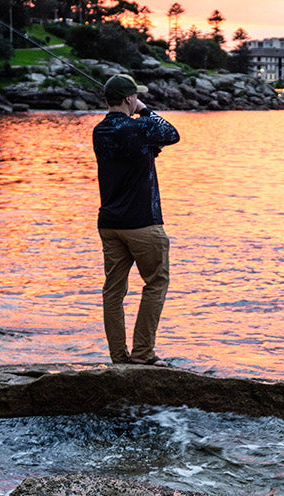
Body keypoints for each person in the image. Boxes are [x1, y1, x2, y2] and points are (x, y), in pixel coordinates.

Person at [92, 74, 181, 365]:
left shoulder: (99, 132)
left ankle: (119, 356)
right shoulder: (140, 126)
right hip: (142, 222)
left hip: (109, 224)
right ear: (130, 98)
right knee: (156, 283)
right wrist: (145, 109)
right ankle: (143, 353)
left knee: (113, 291)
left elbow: (136, 149)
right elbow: (171, 133)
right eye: (135, 97)